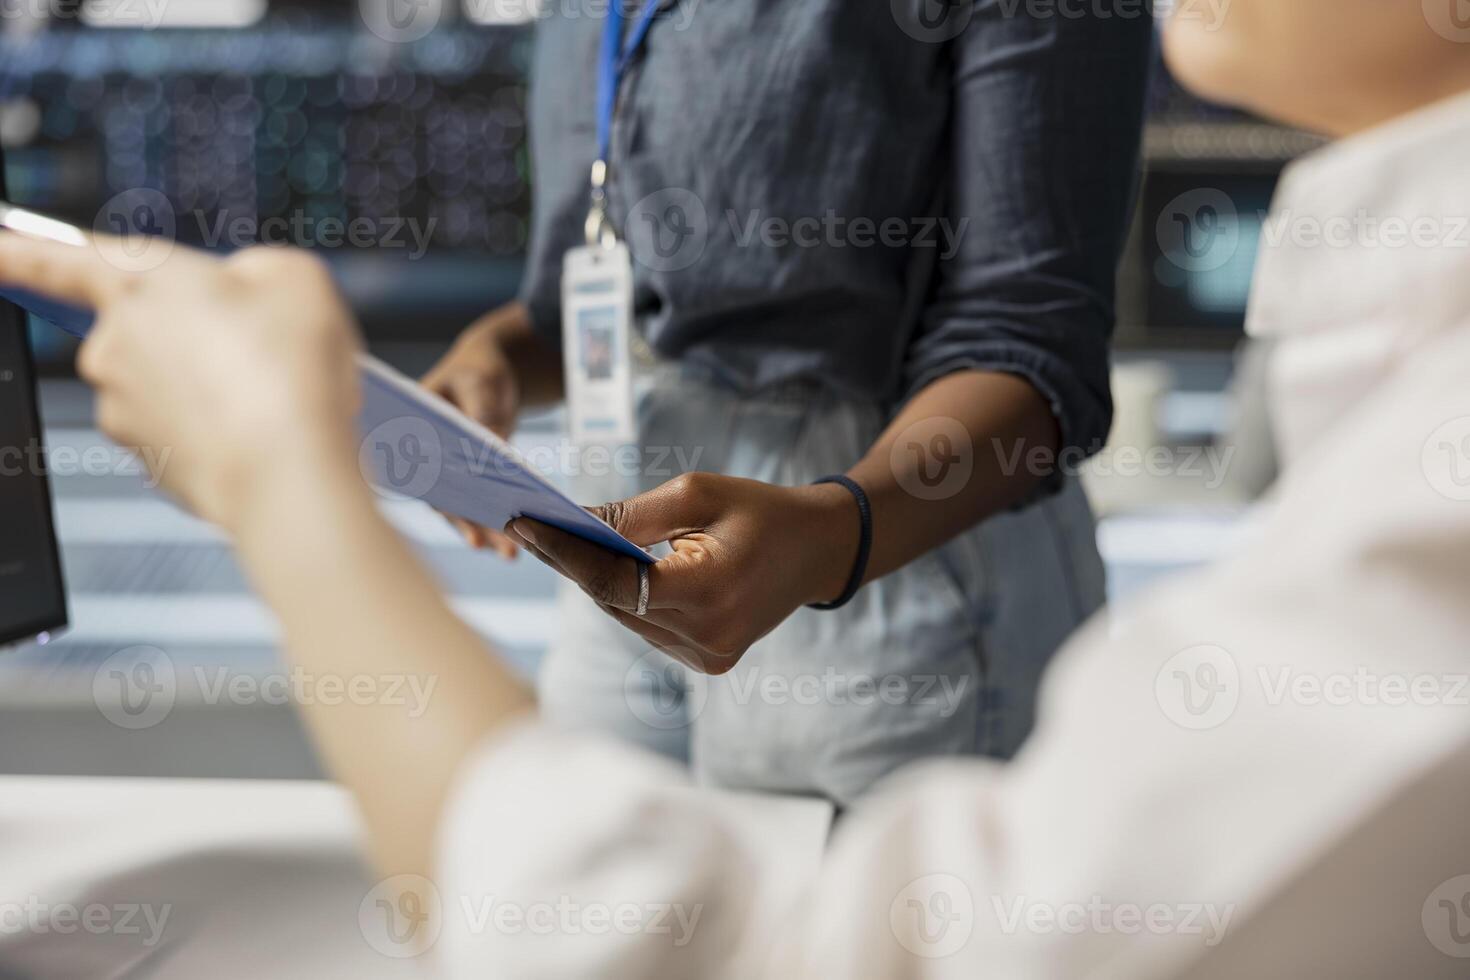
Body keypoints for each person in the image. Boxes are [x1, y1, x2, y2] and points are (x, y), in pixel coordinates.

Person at [4, 0, 1470, 975]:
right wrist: (501, 356)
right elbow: (591, 274)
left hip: (891, 553)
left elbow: (1030, 358)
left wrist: (282, 473)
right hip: (624, 525)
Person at [419, 2, 1153, 801]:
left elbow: (1030, 335)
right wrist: (502, 355)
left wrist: (836, 533)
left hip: (884, 550)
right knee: (600, 908)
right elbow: (631, 292)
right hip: (626, 555)